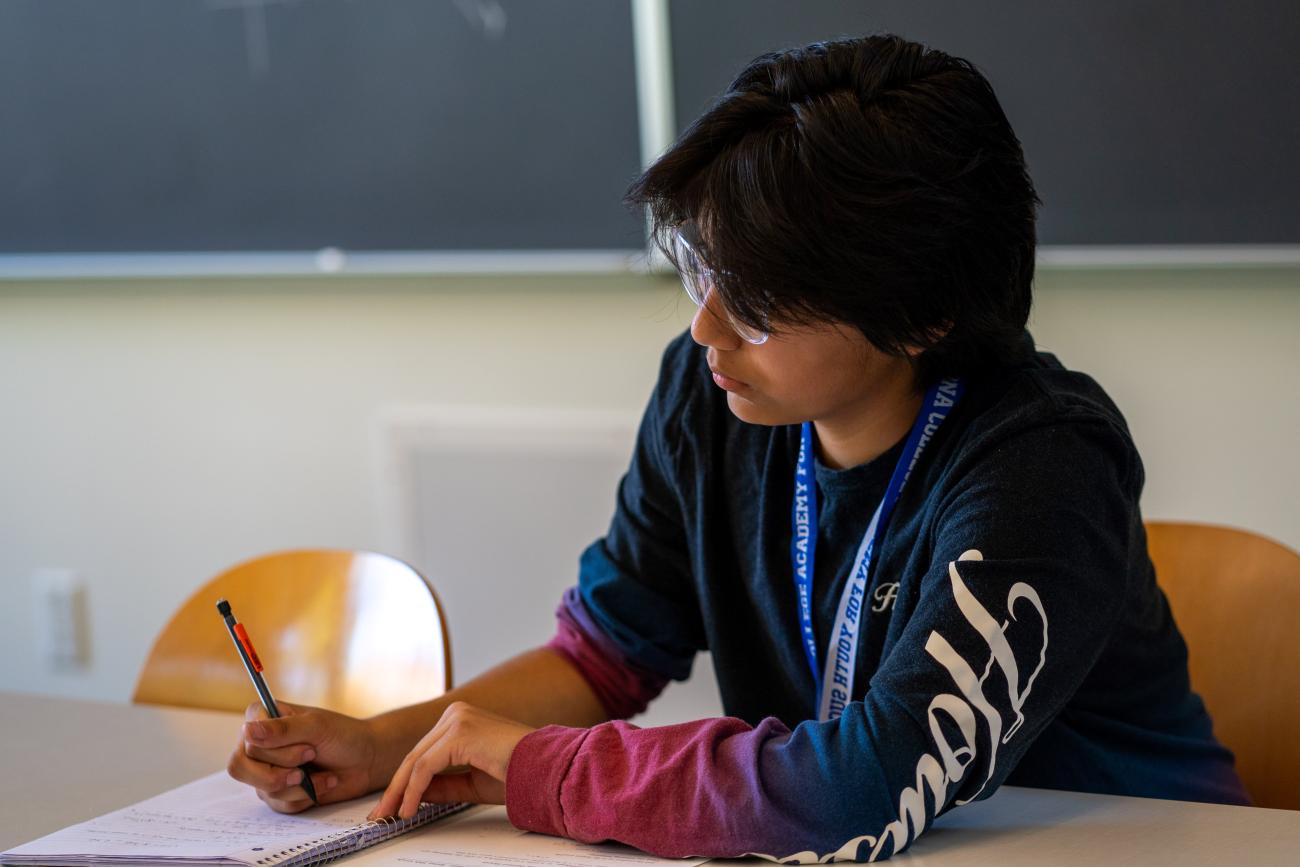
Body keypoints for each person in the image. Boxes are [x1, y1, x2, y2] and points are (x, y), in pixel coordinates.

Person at [227, 35, 1248, 862]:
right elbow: (604, 653)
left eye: (755, 304)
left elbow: (857, 787)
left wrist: (542, 768)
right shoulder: (714, 392)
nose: (708, 329)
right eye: (700, 275)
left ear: (919, 314)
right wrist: (384, 744)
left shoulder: (1042, 466)